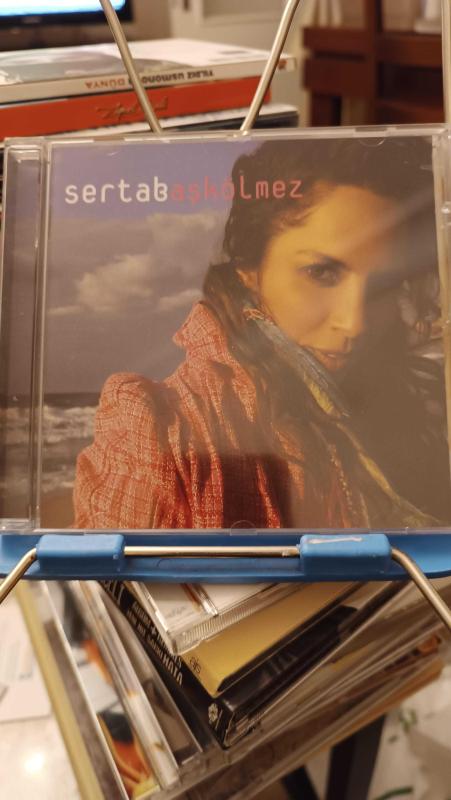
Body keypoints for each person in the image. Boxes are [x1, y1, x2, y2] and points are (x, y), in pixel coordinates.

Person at [73, 136, 451, 531]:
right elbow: (112, 568)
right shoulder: (161, 429)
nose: (354, 322)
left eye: (385, 285)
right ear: (250, 270)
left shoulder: (411, 409)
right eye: (322, 272)